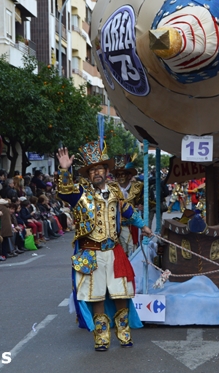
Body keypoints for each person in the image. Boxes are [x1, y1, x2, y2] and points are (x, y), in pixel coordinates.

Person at [56, 142, 152, 352]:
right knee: (96, 296)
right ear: (88, 175)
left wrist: (142, 225)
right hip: (91, 252)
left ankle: (124, 332)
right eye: (92, 170)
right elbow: (63, 191)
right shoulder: (80, 194)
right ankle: (101, 336)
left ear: (107, 172)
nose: (96, 173)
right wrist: (64, 169)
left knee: (121, 294)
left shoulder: (116, 191)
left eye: (99, 169)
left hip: (114, 251)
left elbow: (127, 210)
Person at [112, 154, 143, 256]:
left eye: (123, 174)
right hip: (116, 225)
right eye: (118, 175)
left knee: (132, 248)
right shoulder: (111, 189)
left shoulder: (138, 188)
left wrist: (141, 206)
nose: (120, 177)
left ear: (129, 175)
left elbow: (144, 203)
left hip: (133, 224)